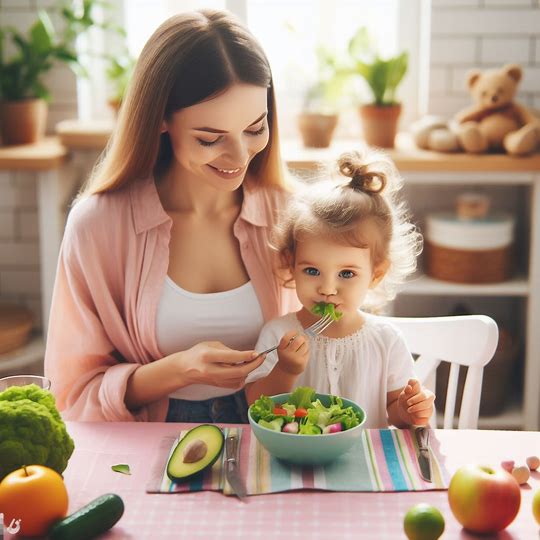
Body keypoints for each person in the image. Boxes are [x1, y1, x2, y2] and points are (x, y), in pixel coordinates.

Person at [44, 9, 300, 423]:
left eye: (255, 129)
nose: (239, 159)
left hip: (277, 430)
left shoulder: (290, 213)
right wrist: (178, 371)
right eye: (210, 138)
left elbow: (342, 333)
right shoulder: (97, 226)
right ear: (161, 119)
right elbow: (72, 393)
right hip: (147, 440)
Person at [245, 150, 435, 428]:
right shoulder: (278, 334)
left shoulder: (386, 340)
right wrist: (286, 369)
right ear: (291, 264)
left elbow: (394, 410)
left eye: (347, 273)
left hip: (365, 464)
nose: (328, 289)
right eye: (312, 271)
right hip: (297, 458)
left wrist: (409, 410)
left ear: (375, 274)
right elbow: (255, 404)